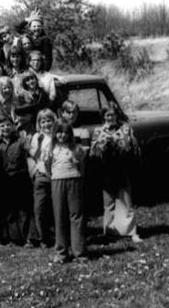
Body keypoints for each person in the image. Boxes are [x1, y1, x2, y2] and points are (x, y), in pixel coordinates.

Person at [90, 105, 142, 243]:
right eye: (107, 115)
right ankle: (110, 231)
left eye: (112, 115)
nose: (110, 118)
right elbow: (93, 151)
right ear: (103, 116)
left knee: (126, 200)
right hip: (106, 171)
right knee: (109, 203)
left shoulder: (126, 129)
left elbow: (133, 148)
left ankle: (131, 231)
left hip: (122, 169)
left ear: (117, 115)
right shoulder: (98, 131)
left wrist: (122, 142)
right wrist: (102, 144)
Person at [0, 114, 34, 246]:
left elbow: (31, 152)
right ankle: (15, 239)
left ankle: (28, 238)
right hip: (6, 181)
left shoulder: (20, 140)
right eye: (2, 126)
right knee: (10, 211)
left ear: (13, 126)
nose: (5, 128)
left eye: (8, 124)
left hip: (21, 178)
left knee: (24, 210)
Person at [46, 121, 87, 263]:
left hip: (74, 180)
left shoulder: (76, 148)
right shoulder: (51, 149)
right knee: (59, 216)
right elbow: (47, 167)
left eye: (66, 132)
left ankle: (79, 252)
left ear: (70, 134)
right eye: (59, 132)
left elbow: (82, 166)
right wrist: (54, 177)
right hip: (57, 181)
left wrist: (78, 177)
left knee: (76, 216)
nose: (62, 135)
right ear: (54, 133)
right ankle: (61, 253)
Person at [29, 109, 57, 248]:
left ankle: (59, 235)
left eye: (48, 120)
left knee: (56, 207)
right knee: (39, 208)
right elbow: (34, 155)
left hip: (57, 174)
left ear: (54, 121)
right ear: (39, 123)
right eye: (43, 121)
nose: (46, 124)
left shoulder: (58, 134)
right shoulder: (37, 137)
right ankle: (43, 237)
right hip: (41, 175)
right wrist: (40, 144)